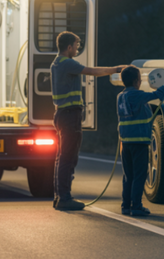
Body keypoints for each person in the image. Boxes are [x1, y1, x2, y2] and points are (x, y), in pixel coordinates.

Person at [51, 31, 125, 211]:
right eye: (76, 46)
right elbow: (92, 71)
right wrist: (116, 69)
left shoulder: (56, 63)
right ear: (69, 47)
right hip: (70, 115)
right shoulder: (68, 63)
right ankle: (64, 198)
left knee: (62, 157)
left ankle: (59, 196)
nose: (77, 49)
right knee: (68, 157)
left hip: (62, 114)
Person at [116, 66, 164, 216]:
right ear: (136, 81)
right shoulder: (137, 95)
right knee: (140, 175)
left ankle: (126, 206)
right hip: (139, 142)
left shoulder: (120, 96)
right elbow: (157, 94)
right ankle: (136, 206)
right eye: (140, 79)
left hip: (125, 143)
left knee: (128, 176)